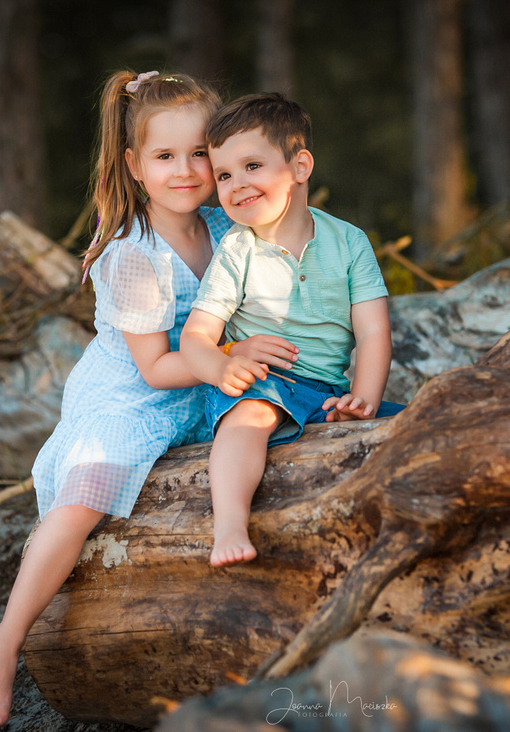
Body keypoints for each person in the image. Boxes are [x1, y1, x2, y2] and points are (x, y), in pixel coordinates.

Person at [0, 72, 298, 727]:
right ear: (135, 166)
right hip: (137, 392)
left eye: (201, 153)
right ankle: (5, 644)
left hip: (203, 378)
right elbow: (153, 368)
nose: (186, 170)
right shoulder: (134, 254)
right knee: (83, 497)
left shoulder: (220, 220)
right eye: (164, 157)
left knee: (281, 414)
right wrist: (233, 356)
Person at [180, 92, 403, 569]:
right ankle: (230, 526)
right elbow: (195, 338)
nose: (236, 184)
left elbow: (373, 332)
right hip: (260, 382)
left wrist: (362, 399)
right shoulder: (238, 250)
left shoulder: (349, 242)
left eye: (252, 166)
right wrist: (224, 367)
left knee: (410, 419)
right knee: (252, 417)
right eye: (223, 175)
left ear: (300, 166)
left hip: (327, 392)